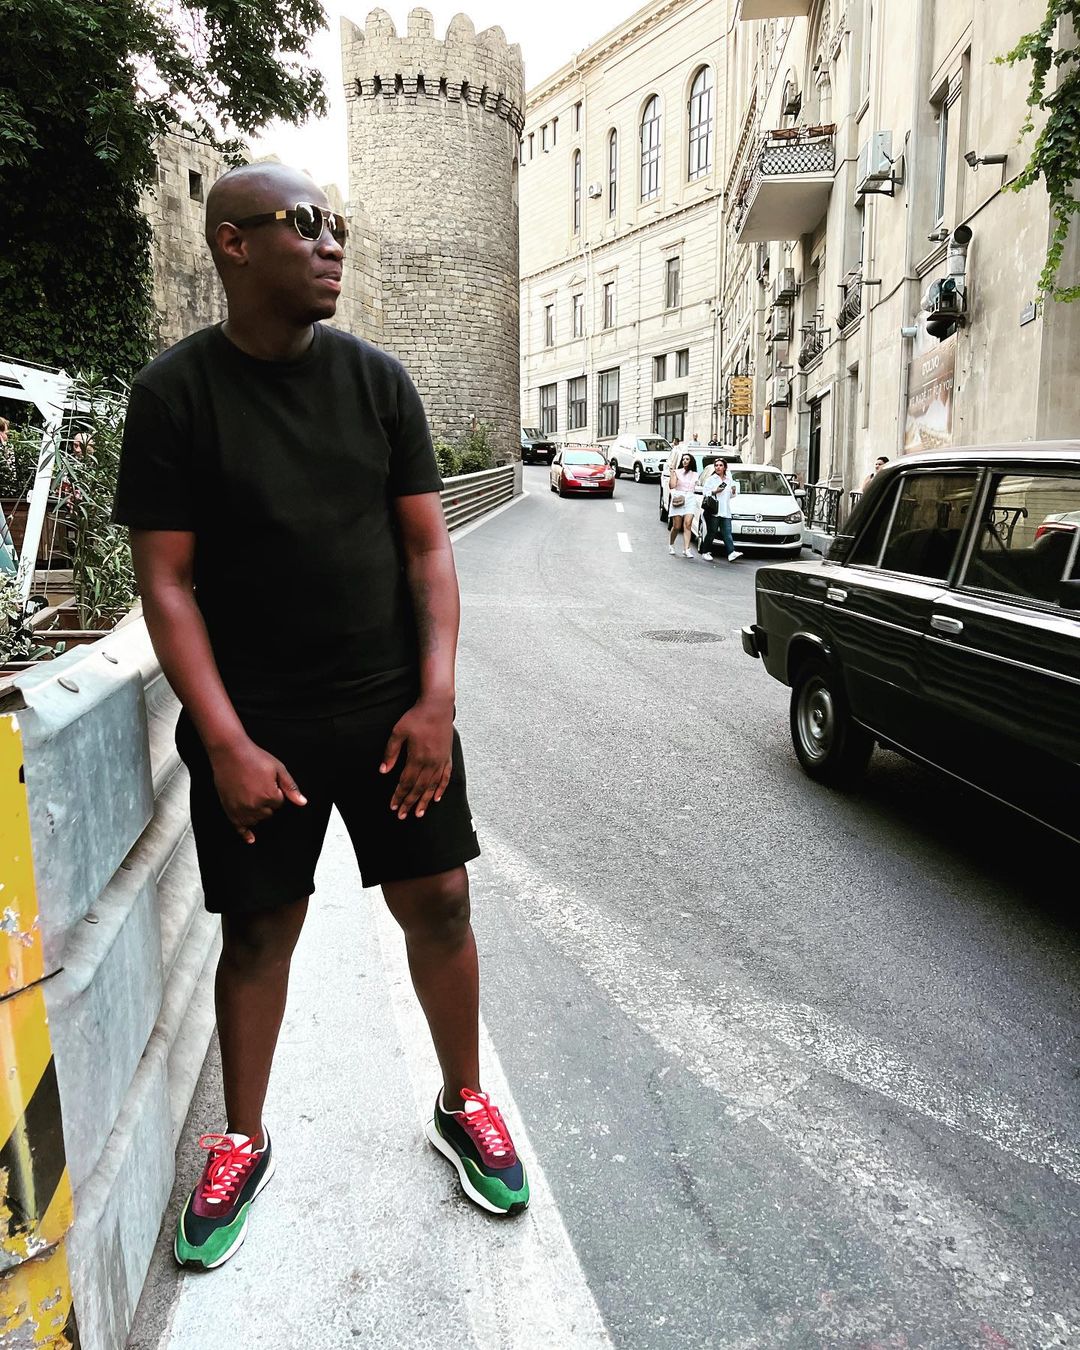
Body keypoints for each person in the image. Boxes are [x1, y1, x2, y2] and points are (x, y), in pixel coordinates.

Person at [112, 163, 529, 1273]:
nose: (331, 242)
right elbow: (166, 584)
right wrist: (224, 741)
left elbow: (428, 550)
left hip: (391, 711)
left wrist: (436, 700)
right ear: (233, 243)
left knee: (441, 901)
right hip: (256, 726)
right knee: (258, 931)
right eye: (304, 224)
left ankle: (463, 1102)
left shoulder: (378, 383)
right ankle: (242, 1140)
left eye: (337, 224)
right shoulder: (174, 397)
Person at [698, 457, 743, 563]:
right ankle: (705, 552)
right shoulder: (711, 479)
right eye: (716, 465)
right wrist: (715, 491)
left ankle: (731, 553)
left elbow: (730, 496)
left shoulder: (728, 480)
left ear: (725, 468)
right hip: (714, 510)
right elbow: (705, 492)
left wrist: (733, 492)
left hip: (725, 511)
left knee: (727, 533)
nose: (718, 467)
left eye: (720, 465)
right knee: (712, 532)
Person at [668, 452, 700, 558]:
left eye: (687, 459)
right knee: (676, 526)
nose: (685, 461)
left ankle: (686, 549)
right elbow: (672, 486)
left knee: (688, 524)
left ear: (691, 461)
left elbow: (698, 487)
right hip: (679, 498)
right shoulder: (677, 472)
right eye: (683, 459)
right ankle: (671, 544)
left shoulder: (695, 474)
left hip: (690, 498)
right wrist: (672, 473)